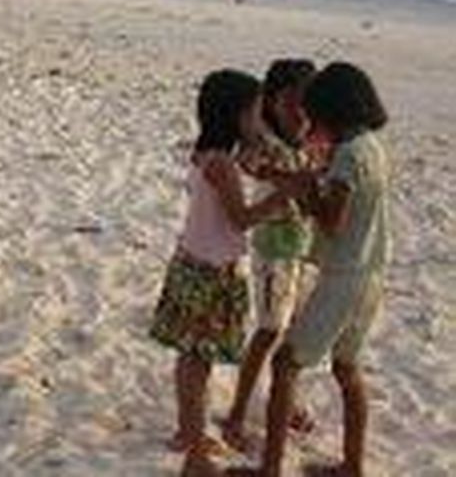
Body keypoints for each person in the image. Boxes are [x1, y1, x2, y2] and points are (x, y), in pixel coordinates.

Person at [229, 62, 390, 477]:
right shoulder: (372, 146)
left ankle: (270, 469)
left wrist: (302, 193)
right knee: (347, 368)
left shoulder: (346, 156)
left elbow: (331, 221)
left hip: (343, 277)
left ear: (332, 110)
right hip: (372, 274)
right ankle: (352, 466)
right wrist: (296, 181)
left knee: (285, 364)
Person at [150, 70, 300, 476]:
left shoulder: (207, 154)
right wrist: (283, 196)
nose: (260, 122)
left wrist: (262, 160)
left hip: (192, 261)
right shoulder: (223, 165)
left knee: (189, 359)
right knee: (198, 364)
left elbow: (228, 192)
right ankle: (195, 457)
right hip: (213, 272)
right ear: (235, 116)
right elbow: (241, 219)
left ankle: (190, 435)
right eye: (255, 113)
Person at [221, 59, 319, 452]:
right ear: (272, 104)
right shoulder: (264, 144)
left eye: (305, 104)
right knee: (267, 332)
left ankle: (287, 400)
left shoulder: (311, 143)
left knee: (294, 332)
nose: (299, 112)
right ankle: (236, 412)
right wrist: (286, 178)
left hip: (303, 251)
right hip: (272, 250)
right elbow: (248, 163)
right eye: (289, 103)